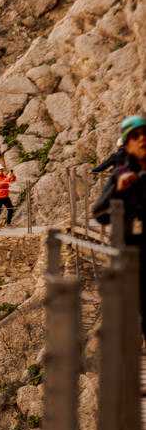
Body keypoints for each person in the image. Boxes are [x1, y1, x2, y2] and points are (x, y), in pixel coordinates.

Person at [93, 114, 146, 340]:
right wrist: (118, 191)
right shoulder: (120, 175)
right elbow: (100, 214)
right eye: (135, 136)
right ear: (127, 144)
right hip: (132, 254)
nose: (142, 139)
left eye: (145, 134)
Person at [0, 162, 16, 230]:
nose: (2, 171)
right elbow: (0, 184)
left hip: (5, 196)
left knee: (10, 209)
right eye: (1, 170)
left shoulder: (4, 177)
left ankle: (8, 223)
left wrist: (13, 176)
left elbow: (11, 180)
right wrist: (8, 178)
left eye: (2, 170)